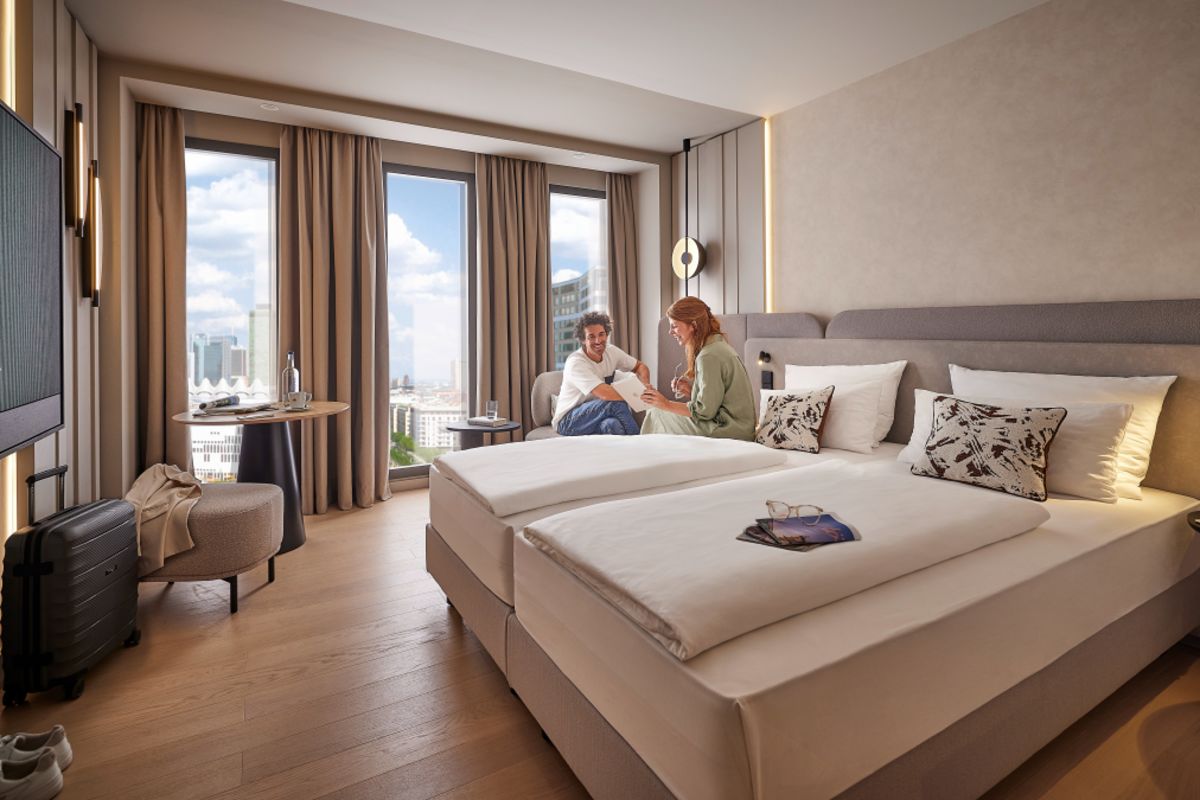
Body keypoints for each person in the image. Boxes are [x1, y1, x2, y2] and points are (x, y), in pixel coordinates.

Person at [640, 296, 756, 440]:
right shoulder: (717, 347)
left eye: (674, 326)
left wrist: (666, 404)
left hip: (727, 430)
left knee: (656, 413)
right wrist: (690, 391)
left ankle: (651, 453)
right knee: (659, 412)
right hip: (740, 429)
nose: (670, 332)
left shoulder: (708, 356)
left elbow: (704, 412)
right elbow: (716, 401)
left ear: (693, 325)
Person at [553, 311, 651, 436]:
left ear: (607, 334)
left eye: (601, 334)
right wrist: (637, 393)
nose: (598, 340)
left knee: (612, 425)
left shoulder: (611, 351)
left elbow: (640, 366)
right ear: (583, 340)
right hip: (568, 421)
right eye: (591, 336)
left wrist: (645, 386)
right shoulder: (576, 362)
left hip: (597, 414)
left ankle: (623, 448)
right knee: (614, 402)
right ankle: (640, 440)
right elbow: (605, 394)